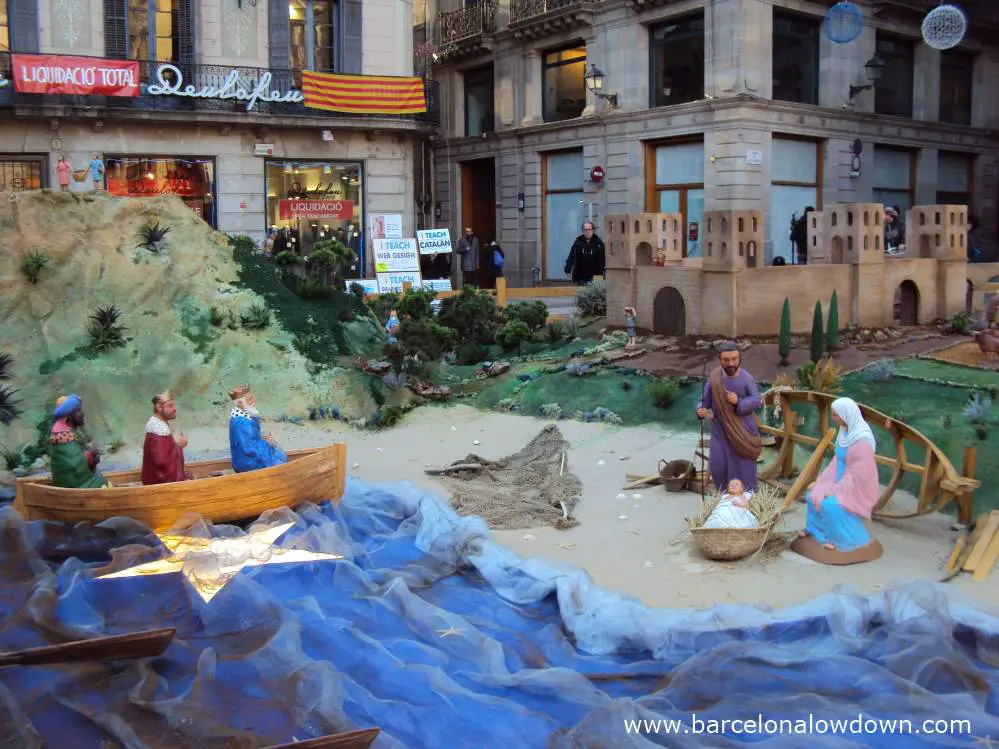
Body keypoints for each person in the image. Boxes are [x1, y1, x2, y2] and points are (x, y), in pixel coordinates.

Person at [798, 398, 880, 552]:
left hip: (855, 484)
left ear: (846, 414)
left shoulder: (862, 440)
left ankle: (839, 539)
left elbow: (858, 473)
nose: (833, 418)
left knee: (831, 505)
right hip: (837, 477)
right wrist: (822, 481)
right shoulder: (844, 431)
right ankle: (815, 531)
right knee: (812, 494)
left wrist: (836, 489)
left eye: (836, 415)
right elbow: (837, 460)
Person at [696, 343, 763, 491]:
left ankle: (747, 498)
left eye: (734, 359)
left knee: (743, 468)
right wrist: (700, 409)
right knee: (719, 464)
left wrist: (738, 401)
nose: (731, 363)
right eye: (726, 360)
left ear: (739, 358)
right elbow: (704, 400)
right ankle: (724, 497)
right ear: (720, 359)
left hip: (742, 432)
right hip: (720, 432)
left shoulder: (747, 378)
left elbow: (756, 400)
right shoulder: (714, 378)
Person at [48, 394, 110, 489]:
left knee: (105, 482)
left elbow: (77, 458)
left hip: (81, 480)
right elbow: (73, 467)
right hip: (75, 485)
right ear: (68, 417)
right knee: (105, 486)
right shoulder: (63, 437)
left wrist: (90, 457)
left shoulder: (70, 433)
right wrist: (89, 456)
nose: (82, 414)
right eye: (78, 411)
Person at [228, 384, 288, 473]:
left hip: (251, 455)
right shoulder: (242, 422)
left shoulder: (245, 415)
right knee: (281, 462)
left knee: (281, 455)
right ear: (240, 403)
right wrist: (266, 443)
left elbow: (249, 438)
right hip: (248, 462)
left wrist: (261, 438)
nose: (254, 401)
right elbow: (248, 449)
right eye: (250, 399)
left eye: (253, 397)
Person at [141, 390, 192, 485]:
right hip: (160, 483)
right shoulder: (158, 430)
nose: (175, 409)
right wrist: (179, 446)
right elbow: (163, 461)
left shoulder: (160, 425)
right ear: (159, 408)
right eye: (170, 406)